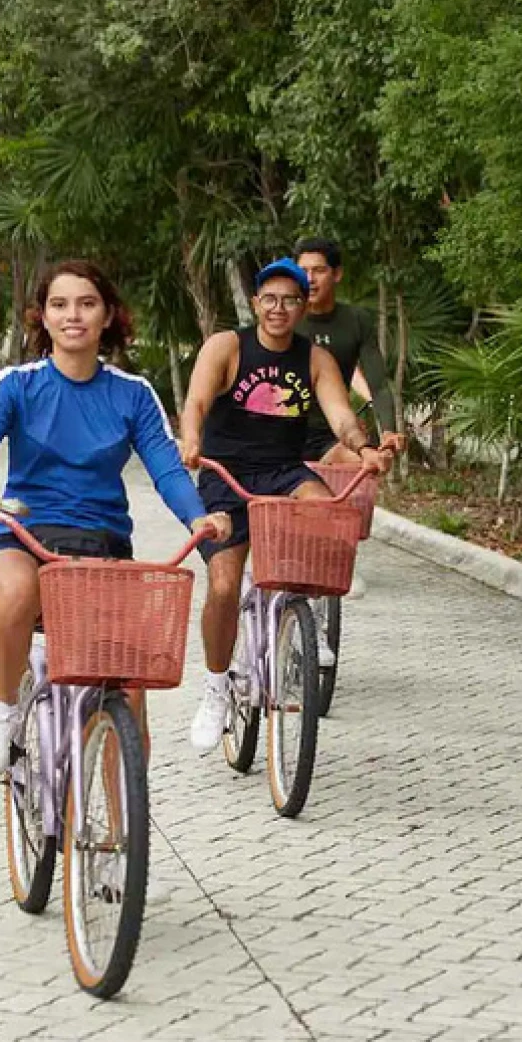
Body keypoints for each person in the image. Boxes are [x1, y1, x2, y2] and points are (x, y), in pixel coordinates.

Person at [0, 260, 230, 774]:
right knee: (13, 594)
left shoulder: (133, 394)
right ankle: (2, 710)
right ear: (43, 318)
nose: (72, 315)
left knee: (129, 692)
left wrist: (197, 517)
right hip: (23, 534)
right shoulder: (17, 383)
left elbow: (166, 468)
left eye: (86, 303)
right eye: (59, 304)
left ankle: (120, 839)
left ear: (107, 317)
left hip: (101, 545)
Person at [176, 258, 391, 753]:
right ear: (255, 304)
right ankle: (215, 687)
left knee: (325, 514)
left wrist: (363, 447)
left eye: (291, 300)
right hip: (226, 474)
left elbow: (340, 413)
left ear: (303, 306)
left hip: (284, 470)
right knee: (226, 583)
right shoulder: (228, 346)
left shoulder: (313, 357)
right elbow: (197, 403)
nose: (279, 308)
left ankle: (302, 618)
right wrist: (190, 441)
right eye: (269, 299)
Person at [293, 238, 404, 467]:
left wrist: (389, 431)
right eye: (303, 271)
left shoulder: (357, 320)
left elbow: (379, 385)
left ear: (337, 274)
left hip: (332, 436)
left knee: (363, 467)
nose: (310, 279)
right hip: (282, 436)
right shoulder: (283, 318)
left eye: (319, 270)